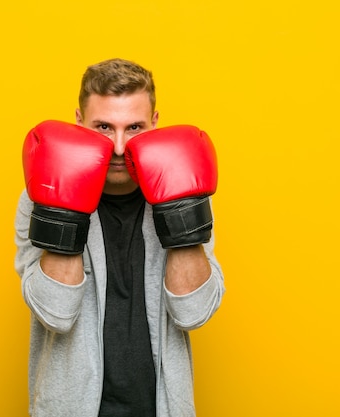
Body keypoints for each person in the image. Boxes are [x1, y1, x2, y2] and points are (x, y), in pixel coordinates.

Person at [14, 58, 225, 417]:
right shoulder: (42, 191)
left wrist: (180, 209)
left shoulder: (185, 184)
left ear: (155, 123)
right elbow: (56, 313)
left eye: (134, 128)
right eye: (103, 127)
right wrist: (66, 203)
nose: (118, 147)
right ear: (78, 122)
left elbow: (193, 313)